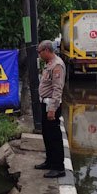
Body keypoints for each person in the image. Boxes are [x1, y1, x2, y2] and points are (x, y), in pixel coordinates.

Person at [34, 40, 66, 178]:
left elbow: (57, 89)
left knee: (54, 136)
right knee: (47, 135)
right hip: (45, 104)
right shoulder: (49, 64)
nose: (39, 54)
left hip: (51, 106)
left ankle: (58, 167)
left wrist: (52, 109)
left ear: (47, 50)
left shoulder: (57, 65)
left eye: (40, 52)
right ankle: (49, 161)